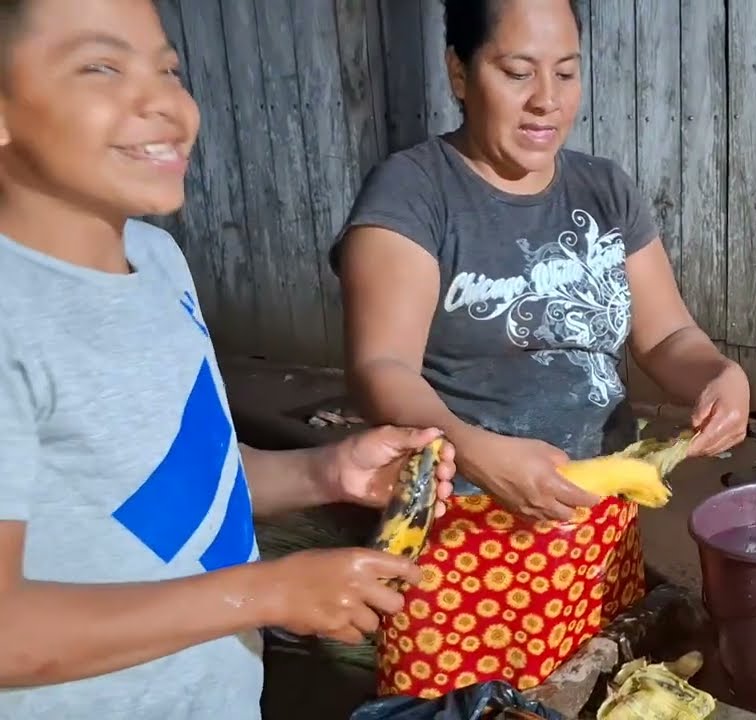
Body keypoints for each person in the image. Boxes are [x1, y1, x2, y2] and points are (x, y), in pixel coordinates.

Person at [0, 1, 456, 718]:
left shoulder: (155, 259)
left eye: (169, 69)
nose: (166, 103)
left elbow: (179, 477)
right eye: (100, 67)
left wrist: (325, 472)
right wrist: (268, 591)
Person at [333, 0, 750, 699]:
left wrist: (719, 373)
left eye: (566, 73)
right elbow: (382, 366)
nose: (546, 102)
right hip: (465, 535)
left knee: (595, 696)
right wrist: (472, 448)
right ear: (459, 73)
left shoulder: (604, 189)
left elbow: (667, 334)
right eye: (516, 72)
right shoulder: (414, 191)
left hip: (594, 527)